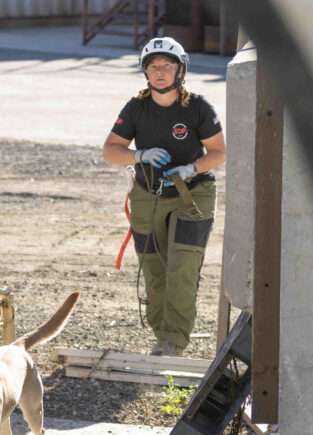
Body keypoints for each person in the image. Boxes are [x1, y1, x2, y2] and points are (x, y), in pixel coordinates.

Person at [103, 37, 225, 356]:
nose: (160, 72)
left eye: (167, 65)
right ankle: (162, 336)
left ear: (180, 70)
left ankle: (174, 341)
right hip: (148, 195)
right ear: (145, 72)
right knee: (154, 270)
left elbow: (218, 152)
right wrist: (139, 154)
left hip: (193, 195)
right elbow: (110, 150)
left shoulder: (197, 107)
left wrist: (191, 169)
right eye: (153, 66)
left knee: (182, 269)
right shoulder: (136, 108)